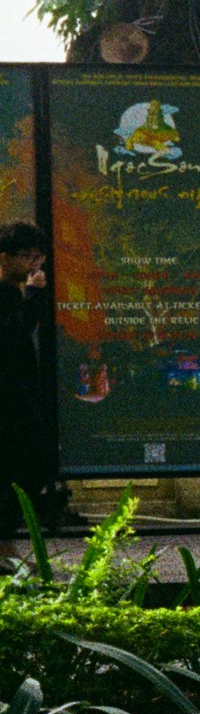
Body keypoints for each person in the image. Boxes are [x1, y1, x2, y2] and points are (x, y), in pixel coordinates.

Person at [0, 221, 56, 527]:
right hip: (10, 401)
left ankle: (8, 549)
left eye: (36, 258)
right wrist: (34, 294)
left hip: (20, 398)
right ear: (4, 257)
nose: (32, 265)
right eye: (25, 256)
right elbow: (14, 332)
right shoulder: (7, 294)